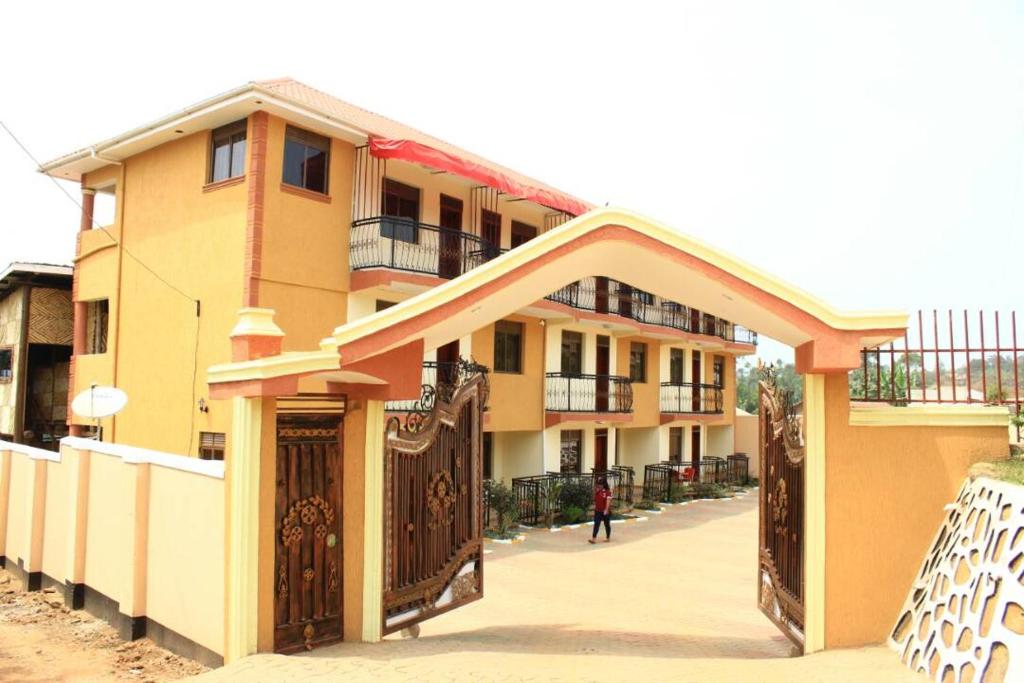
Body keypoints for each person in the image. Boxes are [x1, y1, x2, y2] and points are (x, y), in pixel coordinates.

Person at [589, 478, 613, 544]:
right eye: (598, 484)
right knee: (596, 524)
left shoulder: (608, 492)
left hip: (605, 511)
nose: (599, 485)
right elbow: (595, 499)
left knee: (607, 524)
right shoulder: (598, 491)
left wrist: (606, 509)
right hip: (598, 511)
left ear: (604, 484)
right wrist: (596, 492)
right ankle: (593, 539)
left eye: (600, 484)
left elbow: (608, 501)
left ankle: (608, 537)